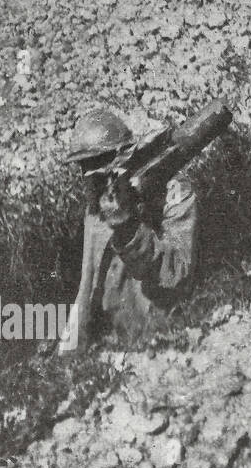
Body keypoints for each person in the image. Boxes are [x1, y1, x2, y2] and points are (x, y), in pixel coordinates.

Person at [60, 109, 200, 352]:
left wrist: (128, 228)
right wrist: (70, 349)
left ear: (123, 155)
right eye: (83, 165)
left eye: (97, 162)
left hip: (158, 340)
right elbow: (87, 283)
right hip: (107, 343)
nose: (89, 175)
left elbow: (177, 275)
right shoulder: (96, 207)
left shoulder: (173, 191)